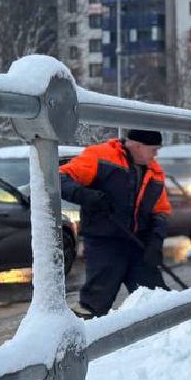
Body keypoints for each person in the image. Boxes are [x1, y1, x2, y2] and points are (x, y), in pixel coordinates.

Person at [60, 128, 172, 317]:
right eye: (153, 149)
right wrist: (87, 196)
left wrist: (155, 243)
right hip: (104, 242)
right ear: (138, 145)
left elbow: (160, 212)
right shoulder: (100, 156)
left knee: (156, 299)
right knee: (96, 301)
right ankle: (86, 337)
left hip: (138, 245)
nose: (156, 154)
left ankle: (170, 340)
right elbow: (61, 178)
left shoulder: (155, 172)